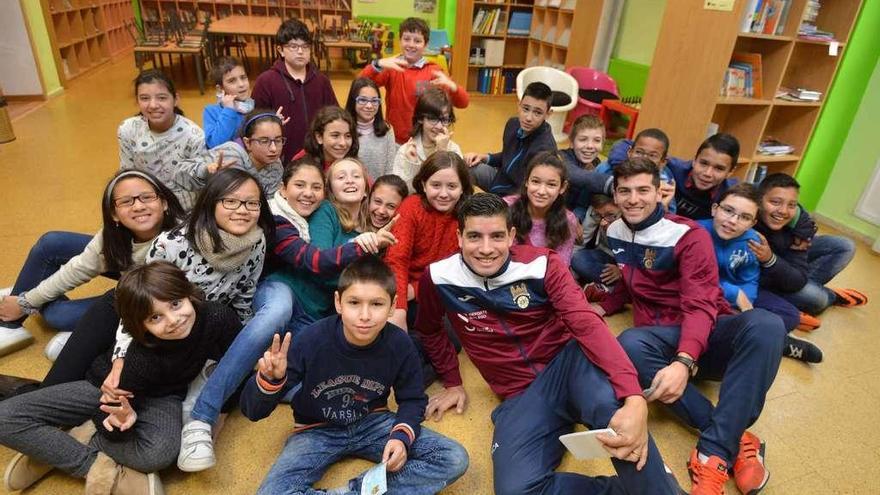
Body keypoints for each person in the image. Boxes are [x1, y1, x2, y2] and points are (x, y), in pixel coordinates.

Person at [414, 193, 683, 494]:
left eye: (497, 236)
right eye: (475, 236)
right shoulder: (438, 277)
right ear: (459, 237)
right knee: (516, 491)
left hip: (567, 364)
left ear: (512, 236)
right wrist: (452, 381)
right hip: (521, 394)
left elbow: (585, 322)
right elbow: (429, 329)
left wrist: (633, 396)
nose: (486, 249)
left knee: (617, 418)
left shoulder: (543, 265)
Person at [177, 157, 396, 472]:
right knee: (276, 313)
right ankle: (203, 414)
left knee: (317, 379)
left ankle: (245, 377)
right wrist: (364, 249)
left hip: (318, 312)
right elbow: (319, 265)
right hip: (285, 291)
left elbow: (354, 281)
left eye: (315, 186)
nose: (308, 193)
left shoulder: (364, 228)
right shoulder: (309, 214)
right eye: (301, 185)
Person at [595, 158, 786, 495]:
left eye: (643, 190)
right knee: (628, 344)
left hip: (706, 335)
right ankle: (735, 437)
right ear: (616, 194)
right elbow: (629, 281)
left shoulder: (688, 234)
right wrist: (605, 304)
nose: (633, 199)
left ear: (659, 192)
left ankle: (712, 454)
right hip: (657, 340)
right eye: (624, 191)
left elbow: (700, 305)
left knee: (768, 324)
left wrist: (684, 362)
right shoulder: (614, 231)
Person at [0, 261, 242, 494]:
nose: (173, 320)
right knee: (5, 418)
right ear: (140, 326)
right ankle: (89, 461)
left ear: (188, 294)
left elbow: (234, 366)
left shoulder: (219, 317)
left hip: (162, 396)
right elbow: (107, 412)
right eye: (155, 318)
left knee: (161, 455)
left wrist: (219, 415)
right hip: (104, 388)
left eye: (176, 304)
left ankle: (67, 439)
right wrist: (121, 424)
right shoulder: (141, 359)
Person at [240, 256, 469, 495]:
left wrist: (401, 436)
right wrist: (270, 380)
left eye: (377, 304)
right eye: (354, 303)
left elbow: (412, 399)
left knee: (453, 458)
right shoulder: (311, 339)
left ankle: (358, 491)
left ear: (393, 306)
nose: (365, 315)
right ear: (338, 303)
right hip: (316, 429)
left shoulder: (400, 343)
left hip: (373, 422)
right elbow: (253, 412)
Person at [0, 170, 185, 360]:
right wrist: (27, 302)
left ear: (164, 203)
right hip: (130, 273)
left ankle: (27, 296)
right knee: (52, 243)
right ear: (113, 214)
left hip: (143, 299)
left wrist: (29, 299)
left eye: (147, 197)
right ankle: (10, 322)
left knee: (57, 314)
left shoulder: (179, 241)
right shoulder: (113, 236)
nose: (138, 206)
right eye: (126, 201)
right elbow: (78, 269)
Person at [696, 183, 822, 363]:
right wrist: (734, 294)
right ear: (714, 209)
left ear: (753, 223)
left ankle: (760, 339)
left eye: (744, 217)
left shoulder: (753, 241)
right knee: (707, 318)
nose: (732, 221)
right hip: (704, 293)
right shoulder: (695, 233)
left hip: (736, 296)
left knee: (790, 315)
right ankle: (778, 344)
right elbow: (693, 279)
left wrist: (746, 306)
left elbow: (751, 278)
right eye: (728, 211)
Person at [751, 173, 867, 319]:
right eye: (775, 202)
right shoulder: (746, 211)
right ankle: (825, 296)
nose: (783, 211)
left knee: (844, 246)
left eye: (791, 205)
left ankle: (799, 298)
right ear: (758, 200)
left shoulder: (797, 221)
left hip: (779, 265)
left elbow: (797, 279)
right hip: (762, 274)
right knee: (819, 299)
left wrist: (803, 227)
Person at [385, 151, 473, 331]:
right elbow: (397, 259)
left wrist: (416, 290)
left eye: (452, 186)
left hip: (436, 291)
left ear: (462, 187)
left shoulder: (467, 217)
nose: (443, 193)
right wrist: (399, 308)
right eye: (436, 185)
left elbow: (459, 270)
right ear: (424, 185)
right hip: (399, 289)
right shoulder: (412, 207)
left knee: (450, 336)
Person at [359, 17, 469, 145]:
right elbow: (360, 85)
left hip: (424, 140)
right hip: (395, 139)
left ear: (426, 44)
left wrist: (452, 86)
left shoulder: (433, 70)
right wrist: (377, 64)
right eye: (406, 39)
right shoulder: (392, 67)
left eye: (417, 41)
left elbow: (463, 102)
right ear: (400, 41)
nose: (411, 44)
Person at [252, 19, 338, 163]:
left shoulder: (321, 81)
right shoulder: (265, 81)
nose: (300, 51)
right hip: (280, 161)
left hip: (318, 157)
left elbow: (335, 115)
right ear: (280, 50)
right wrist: (271, 122)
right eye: (293, 46)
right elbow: (252, 124)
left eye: (305, 46)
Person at [118, 70, 206, 210]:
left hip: (183, 208)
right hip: (144, 204)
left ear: (176, 99)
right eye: (145, 98)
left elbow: (199, 183)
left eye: (162, 98)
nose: (153, 105)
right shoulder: (128, 129)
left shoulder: (193, 135)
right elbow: (127, 173)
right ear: (137, 100)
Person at [465, 82, 557, 195]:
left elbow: (532, 190)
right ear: (519, 105)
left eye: (537, 113)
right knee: (467, 167)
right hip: (500, 180)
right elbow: (508, 156)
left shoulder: (544, 148)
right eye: (526, 109)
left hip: (518, 195)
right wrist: (484, 157)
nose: (528, 118)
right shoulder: (513, 124)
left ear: (548, 114)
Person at [178, 109, 286, 197]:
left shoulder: (276, 165)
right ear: (247, 143)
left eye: (278, 140)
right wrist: (206, 172)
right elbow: (179, 173)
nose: (273, 148)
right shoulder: (231, 154)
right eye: (264, 141)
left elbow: (270, 205)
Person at [505, 151, 579, 265]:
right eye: (535, 181)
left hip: (544, 277)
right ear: (526, 181)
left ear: (562, 187)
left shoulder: (568, 220)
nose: (541, 191)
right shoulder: (506, 207)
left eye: (551, 184)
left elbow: (561, 265)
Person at [392, 87, 463, 190]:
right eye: (433, 119)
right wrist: (412, 165)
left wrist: (442, 154)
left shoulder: (453, 149)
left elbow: (454, 190)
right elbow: (402, 193)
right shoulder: (405, 151)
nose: (439, 126)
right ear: (421, 118)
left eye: (444, 120)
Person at [667, 133, 741, 220]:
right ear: (694, 160)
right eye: (704, 163)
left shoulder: (732, 195)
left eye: (719, 168)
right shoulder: (672, 168)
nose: (707, 173)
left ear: (730, 172)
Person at [570, 193, 622, 300]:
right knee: (577, 259)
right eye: (599, 215)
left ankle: (616, 289)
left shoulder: (632, 217)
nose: (603, 222)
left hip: (628, 263)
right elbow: (581, 242)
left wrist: (622, 270)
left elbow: (638, 255)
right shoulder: (594, 213)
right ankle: (606, 288)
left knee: (636, 277)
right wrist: (567, 266)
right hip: (605, 254)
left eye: (610, 215)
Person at [345, 77, 398, 180]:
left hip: (379, 191)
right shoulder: (344, 129)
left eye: (374, 101)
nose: (369, 106)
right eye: (363, 100)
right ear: (353, 101)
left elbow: (390, 168)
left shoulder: (387, 130)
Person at [562, 114, 606, 222]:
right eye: (583, 139)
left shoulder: (597, 164)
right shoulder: (562, 157)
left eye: (597, 140)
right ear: (572, 142)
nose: (590, 146)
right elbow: (574, 174)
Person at [203, 57, 254, 148]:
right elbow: (214, 144)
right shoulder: (211, 111)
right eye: (232, 81)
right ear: (220, 89)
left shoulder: (254, 106)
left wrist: (273, 123)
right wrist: (228, 111)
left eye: (243, 78)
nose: (241, 84)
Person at [293, 106, 358, 170]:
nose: (343, 143)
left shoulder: (354, 164)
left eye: (348, 136)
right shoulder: (301, 164)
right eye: (335, 135)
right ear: (319, 137)